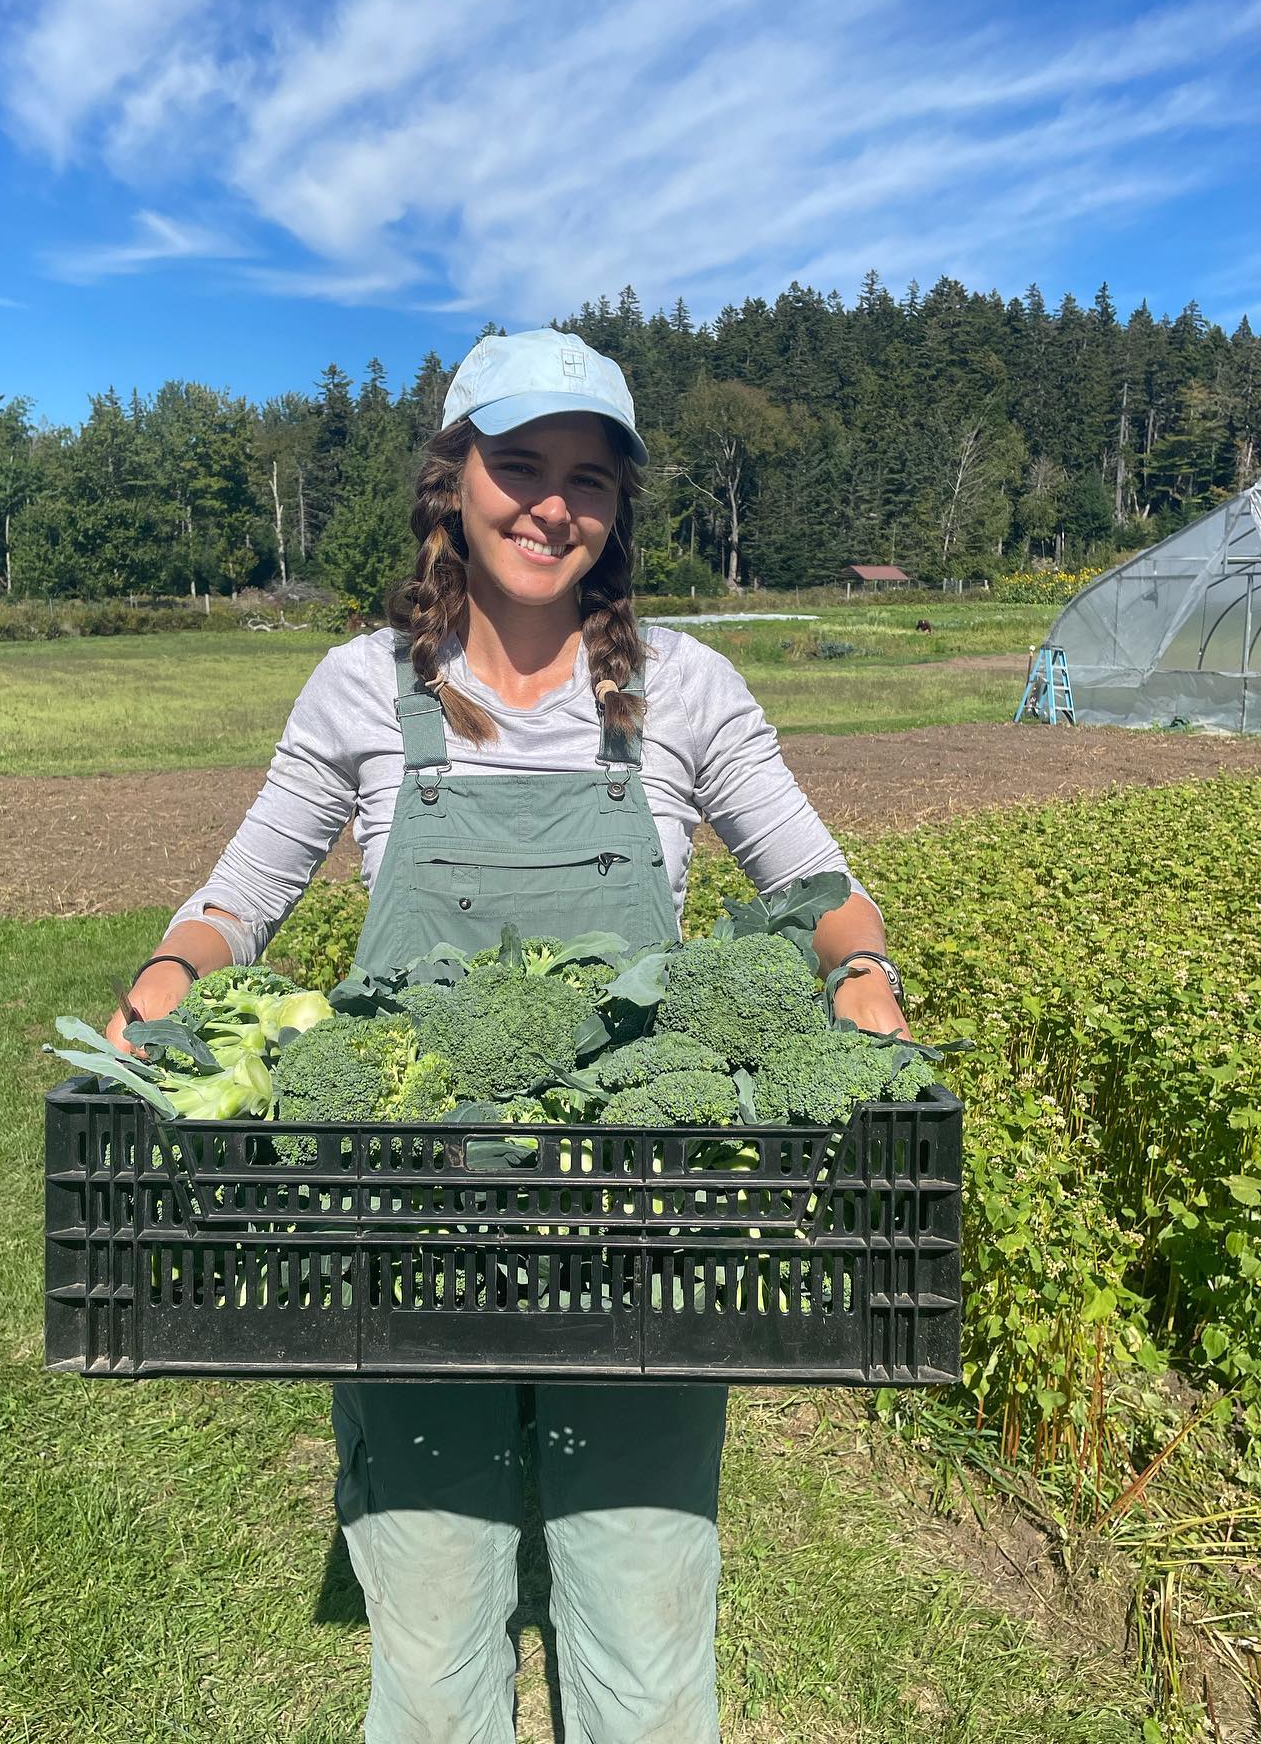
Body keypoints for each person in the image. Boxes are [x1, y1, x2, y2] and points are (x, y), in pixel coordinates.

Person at [106, 329, 910, 1743]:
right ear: (452, 483)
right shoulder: (361, 687)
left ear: (616, 510)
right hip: (406, 1218)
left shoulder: (685, 688)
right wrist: (179, 965)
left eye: (586, 480)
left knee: (649, 1632)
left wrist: (864, 975)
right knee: (427, 1646)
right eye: (520, 466)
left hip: (648, 1223)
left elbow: (822, 893)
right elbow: (246, 893)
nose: (552, 506)